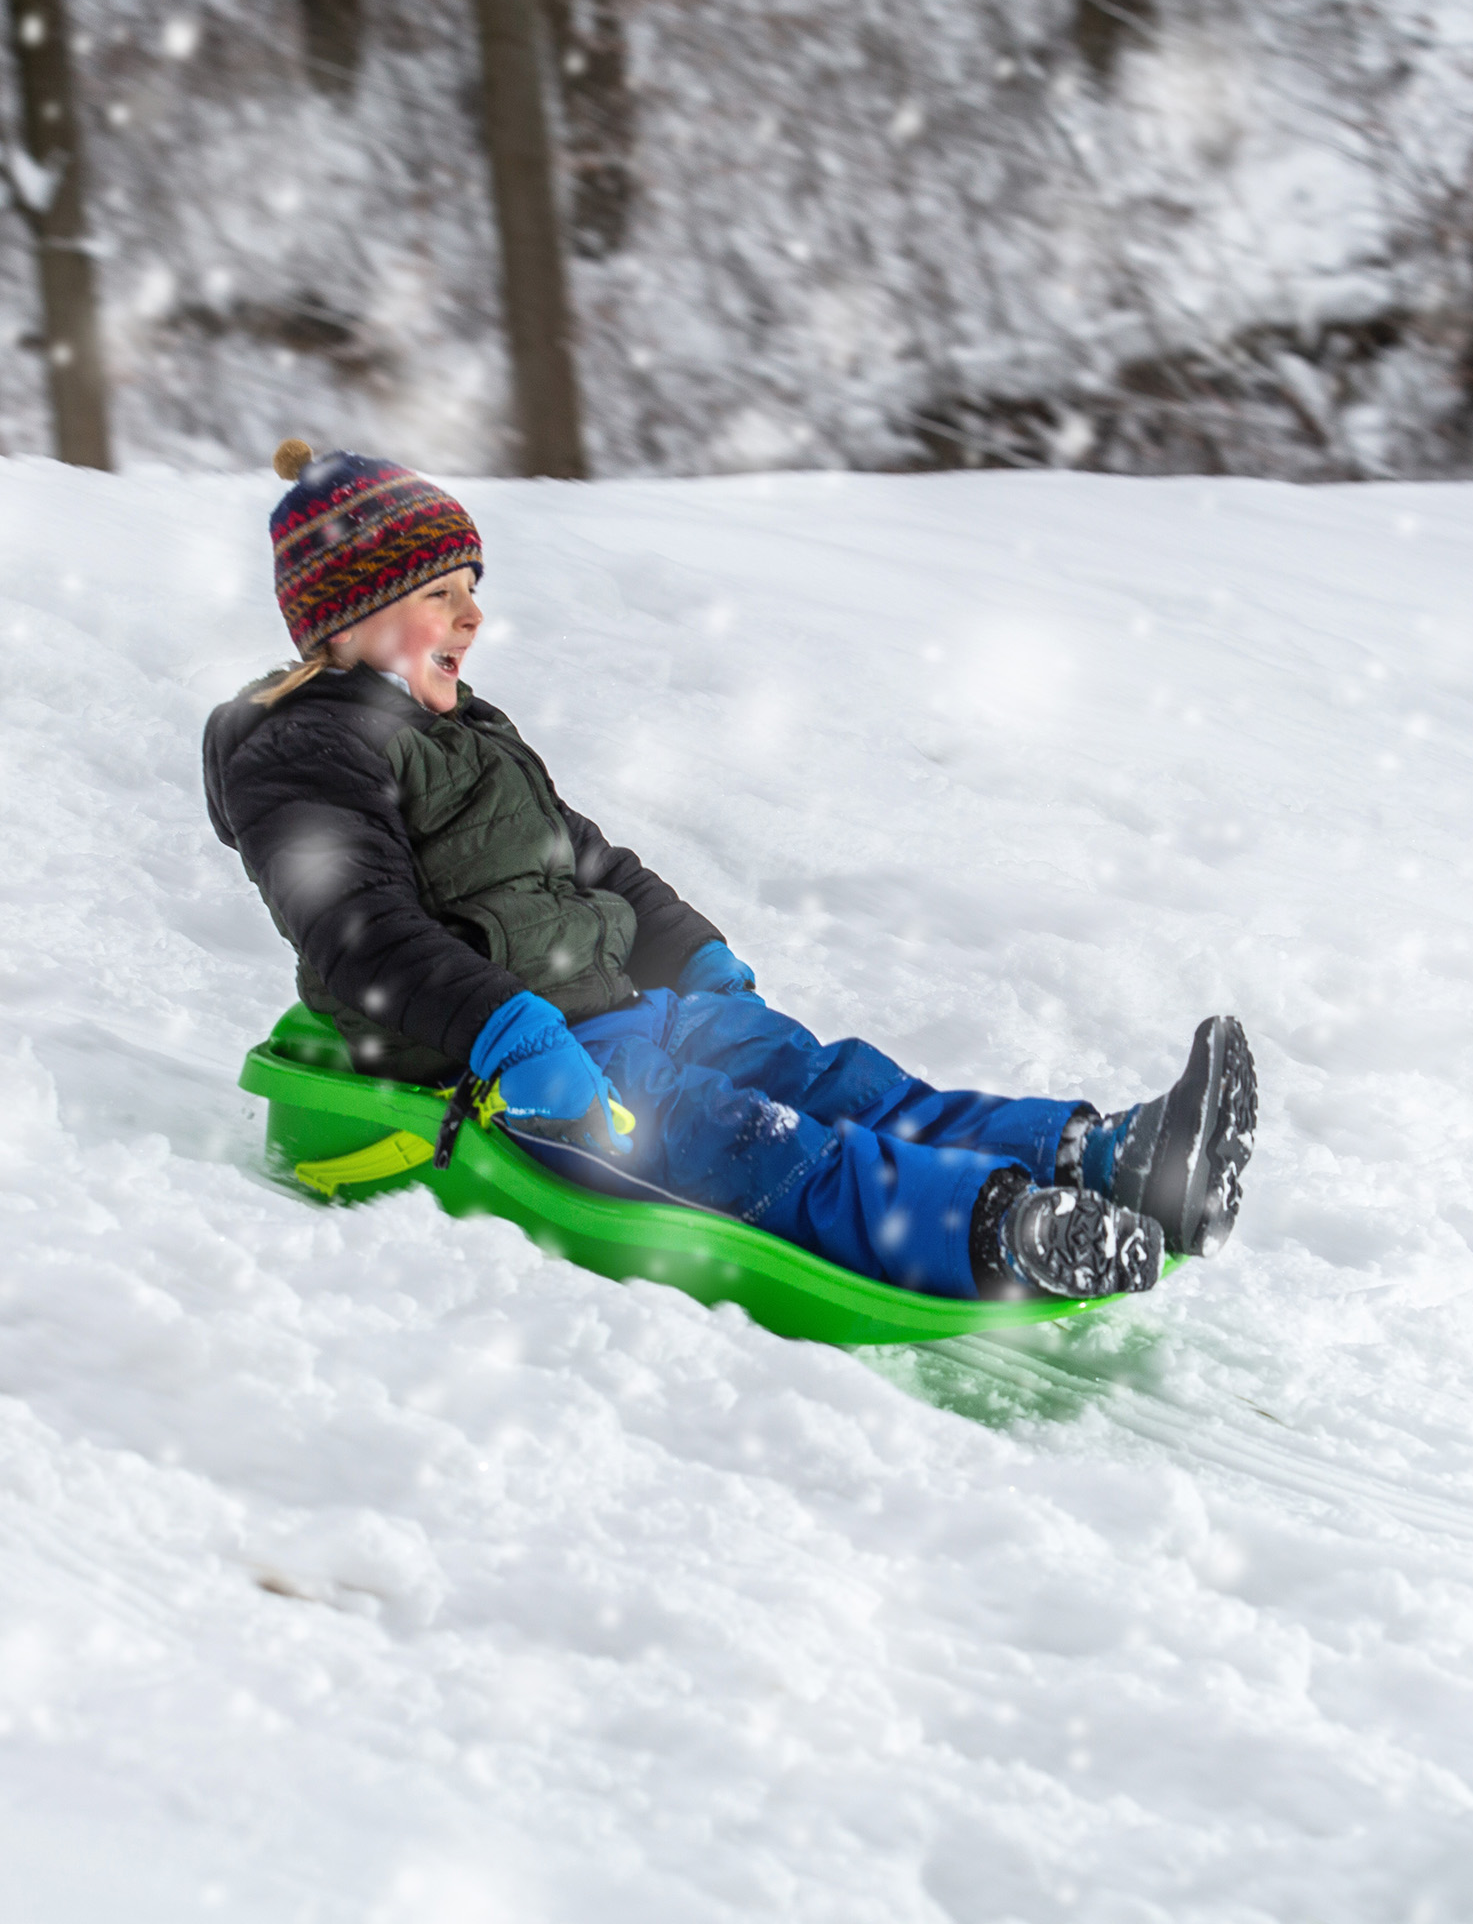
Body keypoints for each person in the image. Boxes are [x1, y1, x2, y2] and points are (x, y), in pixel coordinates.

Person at [203, 444, 1257, 1302]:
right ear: (345, 619)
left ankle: (1107, 1158)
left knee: (842, 1080)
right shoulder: (299, 756)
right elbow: (360, 936)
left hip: (627, 1009)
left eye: (472, 589)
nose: (473, 616)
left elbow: (591, 861)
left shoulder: (472, 731)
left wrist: (692, 954)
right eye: (441, 593)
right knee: (753, 1141)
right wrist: (505, 1032)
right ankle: (1001, 1230)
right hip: (513, 1070)